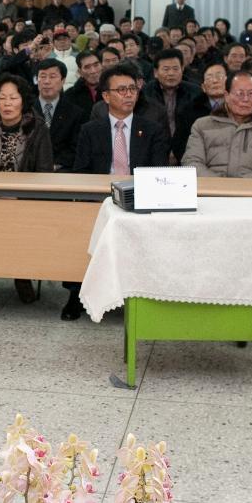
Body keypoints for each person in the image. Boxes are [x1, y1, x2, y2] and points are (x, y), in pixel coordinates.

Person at [65, 62, 168, 319]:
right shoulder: (90, 130)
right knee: (78, 227)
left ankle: (145, 294)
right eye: (121, 90)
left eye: (132, 89)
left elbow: (158, 174)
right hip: (100, 200)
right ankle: (76, 292)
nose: (129, 94)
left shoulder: (152, 129)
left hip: (141, 201)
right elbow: (81, 172)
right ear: (106, 96)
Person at [0, 73, 53, 303]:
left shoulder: (37, 127)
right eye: (2, 98)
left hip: (24, 201)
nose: (7, 103)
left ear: (23, 100)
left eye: (13, 98)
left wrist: (21, 197)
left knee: (19, 223)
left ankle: (21, 276)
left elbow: (44, 171)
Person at [182, 70, 252, 178]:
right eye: (240, 93)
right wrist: (219, 186)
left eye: (251, 94)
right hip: (210, 191)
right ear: (226, 95)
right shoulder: (202, 126)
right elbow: (192, 163)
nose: (245, 99)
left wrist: (240, 186)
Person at [148, 49, 202, 165]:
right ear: (156, 72)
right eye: (166, 69)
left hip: (188, 150)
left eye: (175, 68)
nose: (171, 73)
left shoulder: (196, 93)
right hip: (153, 150)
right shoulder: (145, 94)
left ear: (182, 69)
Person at [33, 59, 84, 171]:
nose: (47, 81)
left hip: (62, 170)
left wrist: (54, 165)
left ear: (63, 81)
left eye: (52, 76)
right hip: (29, 169)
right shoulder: (26, 109)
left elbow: (76, 147)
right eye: (42, 76)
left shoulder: (75, 113)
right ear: (37, 80)